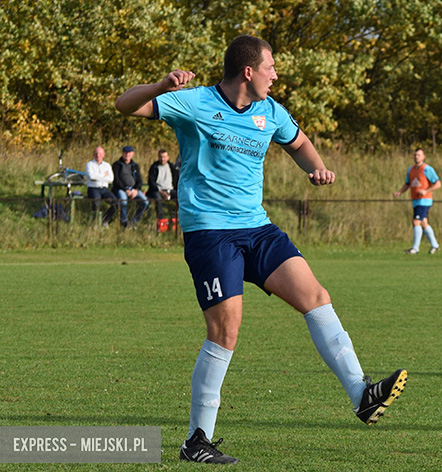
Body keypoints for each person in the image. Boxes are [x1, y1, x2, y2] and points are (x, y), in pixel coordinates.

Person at [114, 35, 407, 464]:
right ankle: (197, 440)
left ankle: (361, 394)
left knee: (315, 296)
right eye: (271, 67)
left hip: (257, 228)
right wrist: (161, 86)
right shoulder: (195, 103)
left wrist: (317, 168)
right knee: (225, 331)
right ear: (248, 71)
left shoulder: (270, 111)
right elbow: (124, 105)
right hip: (211, 233)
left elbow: (299, 143)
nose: (276, 75)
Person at [393, 148, 441, 254]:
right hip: (415, 200)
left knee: (416, 221)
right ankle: (435, 245)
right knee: (423, 223)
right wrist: (399, 192)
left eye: (419, 155)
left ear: (423, 156)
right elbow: (408, 184)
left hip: (424, 200)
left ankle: (415, 248)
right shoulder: (411, 170)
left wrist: (426, 191)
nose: (416, 157)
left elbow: (438, 184)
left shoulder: (427, 169)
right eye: (415, 155)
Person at [111, 146, 149, 228]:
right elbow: (116, 180)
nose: (127, 154)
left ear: (132, 154)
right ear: (122, 153)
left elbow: (139, 181)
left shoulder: (135, 166)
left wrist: (136, 190)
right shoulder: (117, 165)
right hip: (121, 189)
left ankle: (134, 221)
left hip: (133, 190)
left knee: (145, 202)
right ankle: (124, 221)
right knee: (123, 201)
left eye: (129, 153)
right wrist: (125, 189)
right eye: (125, 152)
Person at [84, 146, 118, 227]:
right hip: (93, 188)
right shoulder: (89, 164)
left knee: (116, 204)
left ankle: (104, 219)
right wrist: (104, 175)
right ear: (93, 154)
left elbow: (111, 179)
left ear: (103, 155)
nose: (98, 155)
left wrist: (98, 176)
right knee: (96, 204)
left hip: (104, 189)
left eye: (100, 153)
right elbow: (91, 177)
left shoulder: (107, 165)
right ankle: (94, 223)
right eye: (96, 153)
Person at [147, 149, 178, 232]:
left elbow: (176, 180)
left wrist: (169, 192)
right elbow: (151, 182)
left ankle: (175, 219)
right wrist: (161, 192)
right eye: (161, 157)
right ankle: (161, 221)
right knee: (158, 199)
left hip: (170, 190)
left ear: (168, 157)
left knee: (180, 197)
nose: (162, 159)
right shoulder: (154, 167)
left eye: (164, 157)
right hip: (157, 190)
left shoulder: (172, 167)